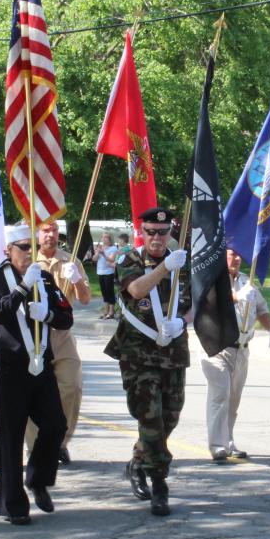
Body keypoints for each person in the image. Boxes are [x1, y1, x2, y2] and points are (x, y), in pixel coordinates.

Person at [0, 225, 73, 524]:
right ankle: (13, 506)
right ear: (8, 251)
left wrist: (46, 314)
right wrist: (21, 290)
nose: (28, 254)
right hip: (12, 370)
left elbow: (66, 316)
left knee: (56, 426)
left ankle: (38, 479)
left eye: (30, 248)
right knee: (10, 439)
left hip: (42, 365)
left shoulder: (44, 278)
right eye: (22, 248)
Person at [105, 207, 190, 516]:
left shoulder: (183, 262)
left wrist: (182, 322)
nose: (156, 238)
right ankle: (160, 484)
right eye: (150, 232)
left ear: (171, 233)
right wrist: (165, 267)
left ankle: (139, 460)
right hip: (138, 353)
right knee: (149, 415)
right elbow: (137, 288)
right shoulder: (129, 260)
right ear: (142, 232)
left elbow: (192, 302)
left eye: (162, 232)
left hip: (173, 351)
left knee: (170, 417)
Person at [201, 246, 270, 461]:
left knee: (234, 399)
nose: (237, 258)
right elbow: (211, 303)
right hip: (218, 348)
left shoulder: (247, 281)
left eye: (239, 254)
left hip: (242, 349)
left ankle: (228, 440)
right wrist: (236, 297)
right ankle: (218, 445)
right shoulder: (211, 278)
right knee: (221, 396)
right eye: (232, 254)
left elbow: (262, 309)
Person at [24, 218, 91, 464]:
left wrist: (76, 279)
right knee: (32, 391)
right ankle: (35, 446)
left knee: (72, 386)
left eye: (53, 230)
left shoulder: (70, 260)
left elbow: (85, 298)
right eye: (44, 230)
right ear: (36, 234)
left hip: (61, 332)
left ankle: (59, 441)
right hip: (32, 332)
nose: (50, 235)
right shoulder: (27, 258)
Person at [95, 231, 119, 319]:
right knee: (104, 292)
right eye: (103, 237)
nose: (104, 239)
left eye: (106, 237)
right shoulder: (101, 247)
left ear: (110, 239)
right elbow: (94, 259)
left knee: (110, 292)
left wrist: (103, 254)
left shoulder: (113, 248)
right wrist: (97, 252)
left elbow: (111, 260)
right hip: (100, 272)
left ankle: (111, 312)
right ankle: (106, 311)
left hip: (109, 272)